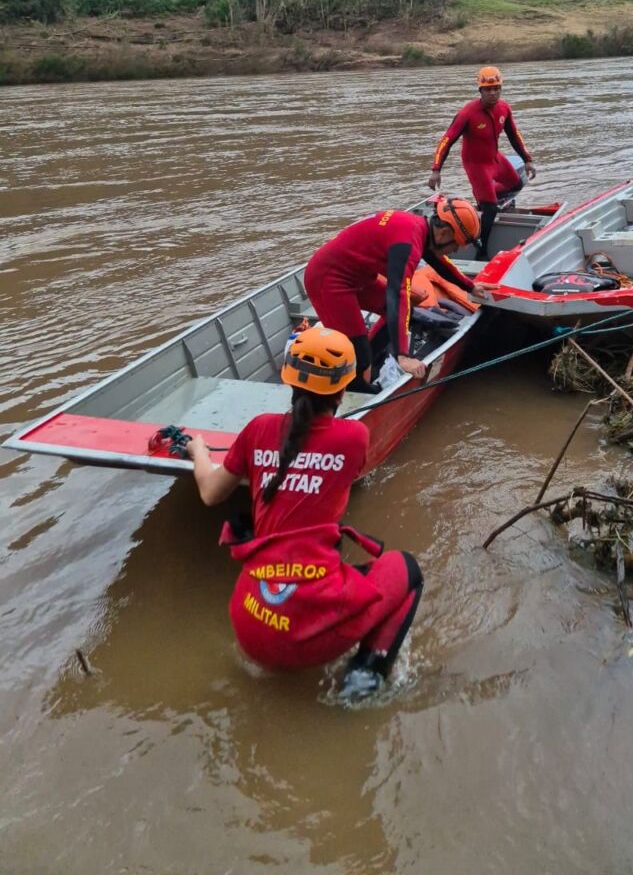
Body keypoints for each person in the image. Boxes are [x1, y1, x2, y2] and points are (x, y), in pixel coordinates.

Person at [185, 327, 423, 701]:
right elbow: (341, 465)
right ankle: (364, 678)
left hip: (249, 623)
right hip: (304, 633)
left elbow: (210, 493)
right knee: (406, 569)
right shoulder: (354, 437)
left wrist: (198, 451)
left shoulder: (258, 428)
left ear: (288, 380)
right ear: (343, 390)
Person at [303, 197, 484, 393]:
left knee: (399, 315)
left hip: (357, 277)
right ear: (443, 233)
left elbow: (438, 262)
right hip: (328, 280)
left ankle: (369, 364)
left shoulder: (419, 229)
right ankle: (355, 391)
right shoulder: (408, 244)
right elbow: (397, 295)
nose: (455, 250)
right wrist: (402, 355)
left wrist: (470, 287)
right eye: (456, 245)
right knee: (358, 355)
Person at [429, 65, 537, 257]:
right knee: (490, 209)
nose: (492, 93)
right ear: (480, 90)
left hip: (495, 158)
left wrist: (527, 159)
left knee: (517, 184)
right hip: (476, 165)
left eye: (496, 88)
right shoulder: (467, 113)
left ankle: (485, 197)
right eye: (487, 89)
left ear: (500, 88)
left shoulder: (504, 108)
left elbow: (514, 135)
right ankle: (482, 250)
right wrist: (436, 170)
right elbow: (446, 140)